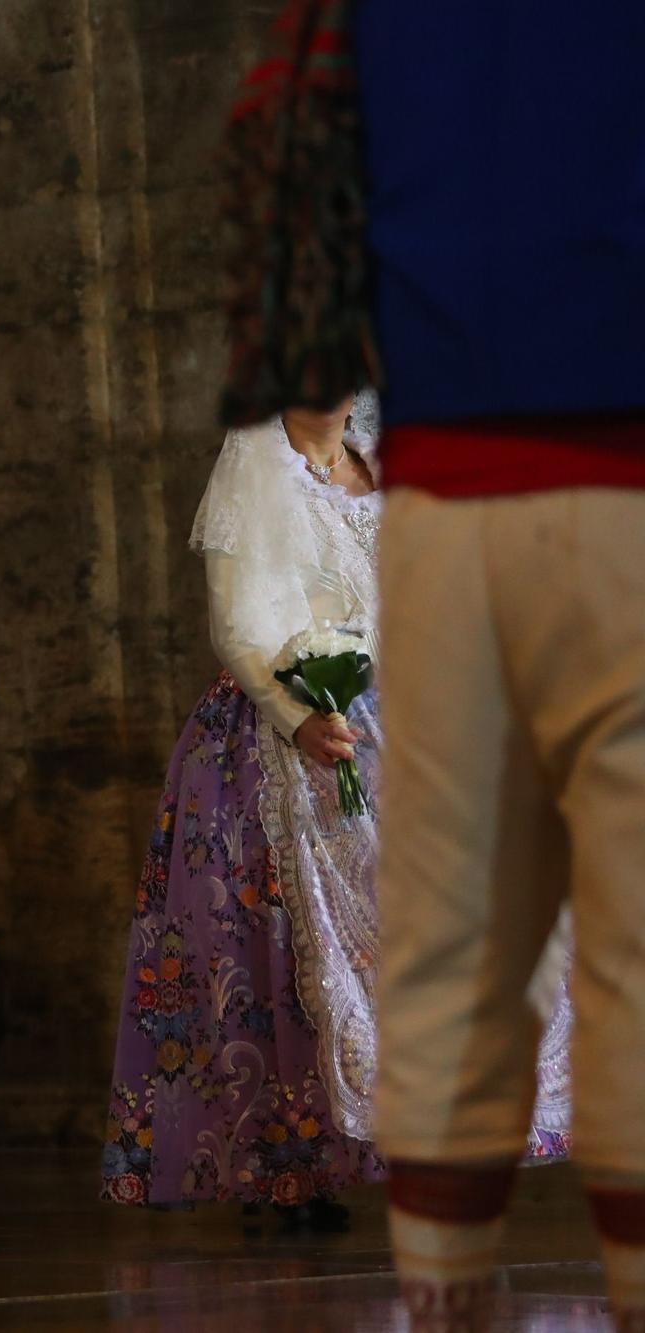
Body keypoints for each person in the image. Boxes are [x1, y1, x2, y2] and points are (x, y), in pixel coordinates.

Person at [347, 5, 645, 1325]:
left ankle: (445, 1296)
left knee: (451, 936)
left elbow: (286, 199)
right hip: (619, 482)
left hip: (442, 501)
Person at [100, 395, 569, 1231]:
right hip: (293, 728)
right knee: (293, 962)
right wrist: (301, 718)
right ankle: (290, 1167)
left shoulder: (380, 462)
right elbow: (237, 623)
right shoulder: (254, 464)